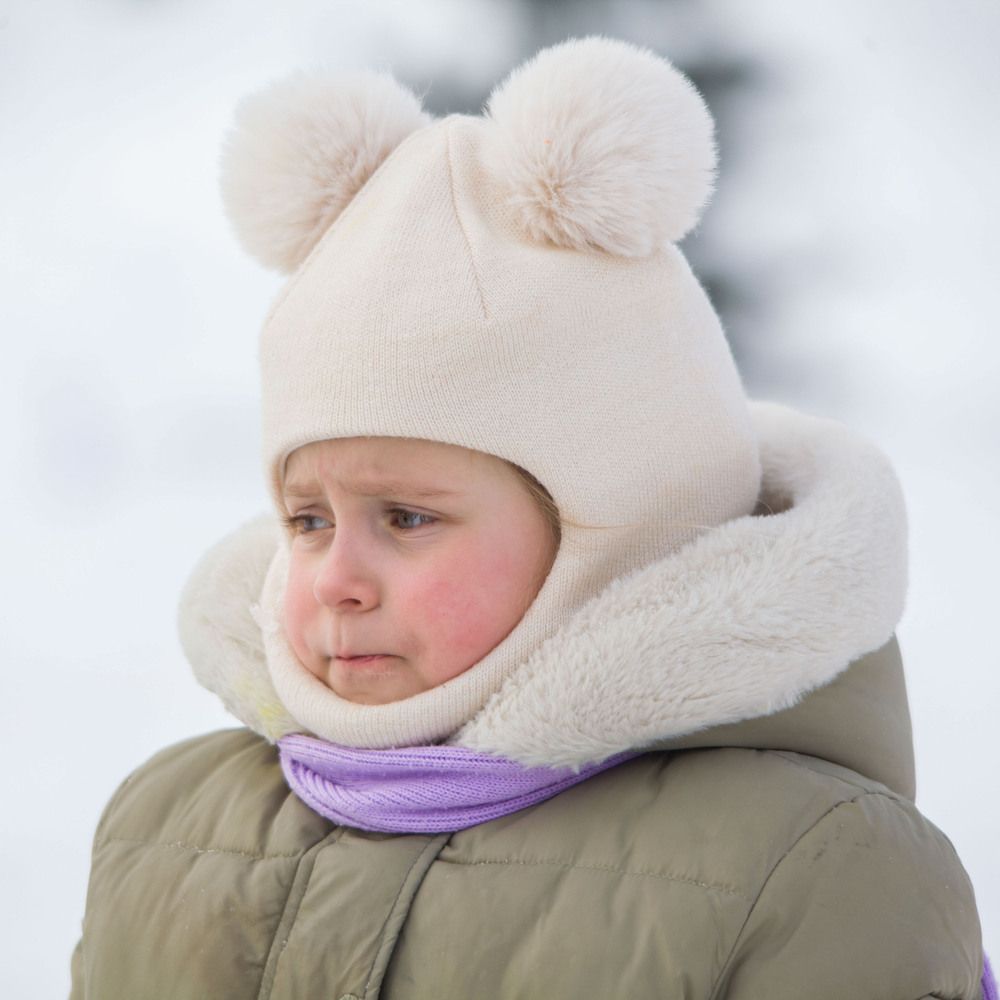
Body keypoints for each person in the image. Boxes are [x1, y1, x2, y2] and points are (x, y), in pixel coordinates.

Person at [69, 36, 990, 999]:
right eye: (307, 519)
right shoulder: (168, 822)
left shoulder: (808, 870)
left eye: (409, 518)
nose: (337, 576)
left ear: (615, 530)